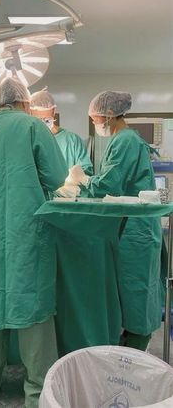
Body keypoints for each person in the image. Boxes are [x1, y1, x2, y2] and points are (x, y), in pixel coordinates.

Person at [0, 77, 68, 408]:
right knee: (32, 309)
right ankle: (39, 395)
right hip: (25, 233)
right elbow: (58, 177)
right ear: (24, 103)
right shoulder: (33, 128)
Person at [67, 91, 162, 351]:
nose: (96, 124)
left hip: (136, 231)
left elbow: (108, 184)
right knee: (132, 291)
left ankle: (133, 350)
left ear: (108, 116)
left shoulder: (125, 141)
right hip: (134, 228)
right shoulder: (125, 140)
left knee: (137, 291)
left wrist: (82, 180)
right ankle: (129, 343)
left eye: (95, 119)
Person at [30, 88, 93, 175]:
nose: (43, 123)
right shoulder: (28, 139)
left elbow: (86, 171)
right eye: (38, 120)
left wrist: (73, 181)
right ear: (29, 114)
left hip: (67, 188)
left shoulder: (72, 141)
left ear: (54, 112)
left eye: (47, 120)